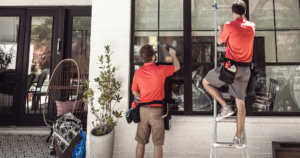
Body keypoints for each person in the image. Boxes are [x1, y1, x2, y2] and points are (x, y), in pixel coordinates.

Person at [202, 0, 255, 148]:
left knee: (205, 82)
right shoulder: (252, 26)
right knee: (241, 102)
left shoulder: (229, 25)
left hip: (230, 68)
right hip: (245, 70)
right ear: (244, 12)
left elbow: (219, 42)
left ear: (233, 11)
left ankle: (225, 107)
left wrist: (220, 28)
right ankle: (238, 138)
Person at [131, 44, 180, 158]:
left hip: (142, 110)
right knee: (157, 144)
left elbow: (134, 92)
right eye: (154, 53)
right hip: (156, 111)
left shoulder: (138, 72)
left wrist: (143, 96)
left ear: (143, 58)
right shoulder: (160, 69)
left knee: (140, 142)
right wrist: (172, 54)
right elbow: (177, 66)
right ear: (153, 57)